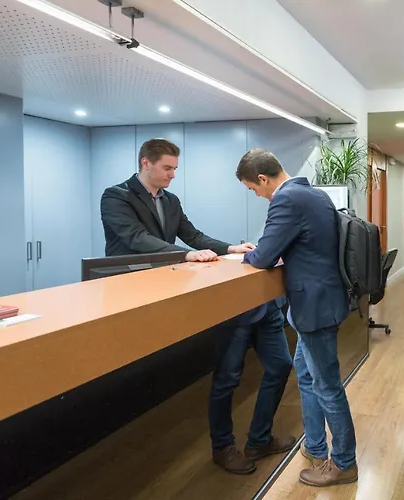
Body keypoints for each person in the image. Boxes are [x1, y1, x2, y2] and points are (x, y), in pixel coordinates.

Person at [100, 138, 295, 474]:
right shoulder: (117, 196)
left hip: (167, 289)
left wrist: (230, 248)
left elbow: (193, 235)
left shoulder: (170, 201)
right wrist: (185, 255)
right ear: (146, 162)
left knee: (276, 365)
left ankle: (258, 439)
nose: (172, 175)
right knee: (226, 375)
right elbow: (135, 238)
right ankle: (222, 446)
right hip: (131, 291)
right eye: (167, 168)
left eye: (175, 168)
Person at [236, 148, 358, 487]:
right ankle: (315, 446)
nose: (257, 195)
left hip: (314, 308)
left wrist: (247, 254)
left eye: (253, 189)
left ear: (263, 179)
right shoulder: (315, 194)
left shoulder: (286, 199)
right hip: (323, 302)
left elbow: (264, 256)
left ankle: (345, 463)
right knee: (306, 374)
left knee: (327, 386)